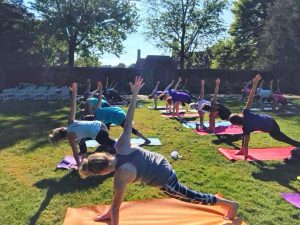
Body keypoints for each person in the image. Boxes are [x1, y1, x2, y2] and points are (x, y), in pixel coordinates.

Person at [79, 76, 239, 224]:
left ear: (102, 172)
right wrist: (134, 95)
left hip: (164, 178)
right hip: (159, 160)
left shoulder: (120, 177)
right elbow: (128, 122)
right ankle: (228, 204)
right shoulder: (120, 146)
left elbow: (116, 208)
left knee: (190, 197)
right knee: (118, 198)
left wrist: (111, 215)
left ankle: (230, 205)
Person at [229, 74, 300, 160]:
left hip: (271, 127)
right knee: (282, 138)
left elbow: (246, 142)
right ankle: (242, 150)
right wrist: (255, 84)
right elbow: (250, 98)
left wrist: (246, 156)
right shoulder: (245, 113)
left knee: (284, 139)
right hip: (269, 120)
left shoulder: (246, 127)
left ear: (236, 123)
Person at [49, 83, 116, 166]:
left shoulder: (70, 138)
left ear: (62, 138)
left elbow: (75, 153)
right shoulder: (70, 122)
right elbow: (73, 106)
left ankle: (122, 152)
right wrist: (74, 93)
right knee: (82, 141)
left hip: (98, 132)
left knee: (109, 149)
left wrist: (78, 166)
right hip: (101, 125)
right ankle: (117, 147)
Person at [84, 81, 151, 146]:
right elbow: (99, 99)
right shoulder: (97, 109)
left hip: (117, 116)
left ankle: (146, 140)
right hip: (117, 110)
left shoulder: (97, 119)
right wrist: (101, 88)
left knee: (129, 129)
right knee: (106, 126)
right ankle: (106, 140)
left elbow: (93, 132)